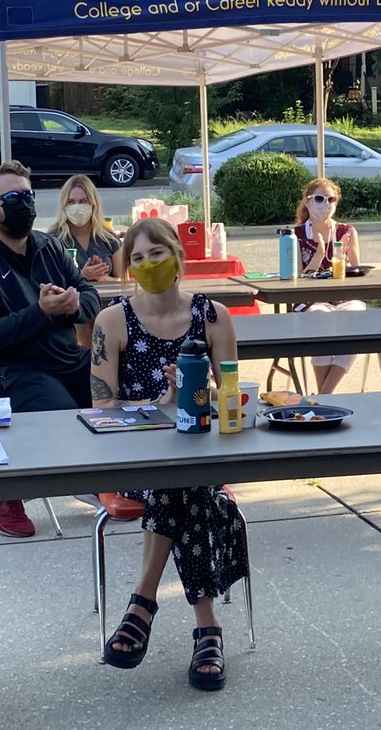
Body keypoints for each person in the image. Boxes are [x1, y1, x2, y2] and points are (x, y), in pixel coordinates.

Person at [89, 218, 247, 692]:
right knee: (179, 484)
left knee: (183, 480)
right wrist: (160, 404)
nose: (147, 265)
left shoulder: (213, 316)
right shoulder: (112, 320)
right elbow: (101, 407)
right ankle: (207, 626)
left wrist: (198, 393)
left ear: (177, 255)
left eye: (156, 253)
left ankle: (142, 602)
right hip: (134, 458)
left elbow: (232, 395)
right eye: (137, 258)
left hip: (199, 452)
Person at [0, 160, 101, 538]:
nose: (25, 204)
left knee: (126, 392)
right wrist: (40, 312)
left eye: (28, 195)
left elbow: (90, 295)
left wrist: (74, 306)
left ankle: (117, 479)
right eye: (14, 198)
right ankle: (7, 492)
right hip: (15, 370)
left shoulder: (50, 247)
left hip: (67, 358)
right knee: (65, 418)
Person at [293, 177, 364, 393]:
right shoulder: (296, 235)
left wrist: (344, 261)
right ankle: (327, 395)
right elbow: (296, 280)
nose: (325, 204)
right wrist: (318, 256)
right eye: (319, 199)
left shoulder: (346, 231)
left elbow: (357, 272)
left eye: (330, 199)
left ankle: (324, 395)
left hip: (343, 297)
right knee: (321, 319)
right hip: (310, 300)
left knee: (356, 318)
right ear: (307, 202)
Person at [46, 173, 124, 352]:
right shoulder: (53, 240)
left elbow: (124, 282)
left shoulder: (109, 239)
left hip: (108, 310)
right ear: (64, 205)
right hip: (73, 315)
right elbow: (49, 283)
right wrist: (82, 277)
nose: (77, 207)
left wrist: (103, 279)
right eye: (71, 202)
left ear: (93, 204)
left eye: (83, 201)